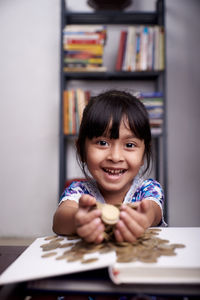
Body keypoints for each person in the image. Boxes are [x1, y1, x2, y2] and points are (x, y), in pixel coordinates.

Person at [53, 90, 165, 244]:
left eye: (130, 145)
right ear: (81, 150)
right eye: (102, 143)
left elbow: (153, 211)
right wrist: (78, 219)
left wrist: (145, 217)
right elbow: (60, 219)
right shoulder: (79, 192)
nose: (115, 157)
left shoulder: (148, 189)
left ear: (144, 154)